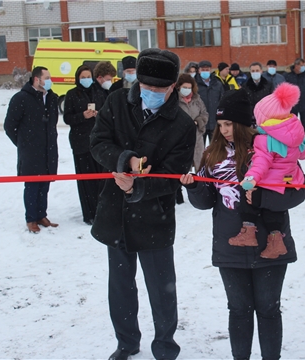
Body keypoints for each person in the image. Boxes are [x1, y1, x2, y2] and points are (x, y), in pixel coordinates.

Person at [180, 89, 305, 360]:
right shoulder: (211, 154)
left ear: (244, 123)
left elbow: (299, 191)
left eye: (230, 124)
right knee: (238, 309)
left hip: (271, 243)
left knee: (268, 309)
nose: (224, 130)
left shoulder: (269, 145)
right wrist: (193, 188)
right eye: (221, 124)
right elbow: (205, 202)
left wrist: (263, 198)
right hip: (230, 245)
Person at [89, 48, 196, 360]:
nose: (151, 94)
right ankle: (126, 343)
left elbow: (174, 175)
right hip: (115, 212)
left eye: (159, 90)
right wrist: (125, 160)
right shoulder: (117, 102)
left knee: (162, 288)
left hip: (154, 216)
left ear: (173, 87)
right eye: (146, 88)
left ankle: (165, 346)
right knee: (120, 286)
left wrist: (138, 186)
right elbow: (98, 143)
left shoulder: (182, 125)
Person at [231, 82, 305, 259]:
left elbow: (261, 163)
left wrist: (250, 178)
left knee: (249, 198)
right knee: (275, 210)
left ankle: (249, 232)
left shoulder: (265, 140)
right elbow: (303, 154)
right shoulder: (295, 135)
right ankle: (276, 242)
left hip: (271, 183)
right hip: (290, 182)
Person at [4, 66, 59, 233]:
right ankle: (31, 219)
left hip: (48, 150)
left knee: (45, 185)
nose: (50, 81)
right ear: (37, 79)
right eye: (47, 77)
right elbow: (9, 126)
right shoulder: (21, 98)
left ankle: (42, 215)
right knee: (33, 186)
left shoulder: (51, 98)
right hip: (31, 153)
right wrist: (23, 143)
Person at [63, 65, 105, 225]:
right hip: (81, 143)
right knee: (86, 181)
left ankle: (102, 212)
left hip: (98, 142)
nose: (86, 80)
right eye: (83, 77)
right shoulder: (72, 94)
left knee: (100, 180)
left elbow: (107, 112)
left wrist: (98, 114)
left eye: (89, 76)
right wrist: (82, 115)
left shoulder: (98, 92)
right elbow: (67, 118)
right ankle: (89, 214)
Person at [175, 73, 208, 204]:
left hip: (197, 137)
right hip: (180, 139)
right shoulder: (174, 99)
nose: (187, 90)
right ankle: (179, 193)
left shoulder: (197, 99)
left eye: (189, 87)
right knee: (181, 167)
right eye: (184, 87)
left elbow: (205, 114)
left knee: (200, 165)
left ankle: (201, 191)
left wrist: (197, 122)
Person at [285, 58, 305, 153]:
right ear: (295, 66)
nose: (302, 67)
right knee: (292, 126)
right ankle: (292, 144)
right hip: (293, 105)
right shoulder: (288, 76)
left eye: (303, 65)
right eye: (300, 65)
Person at [195, 60, 224, 146]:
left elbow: (222, 101)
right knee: (199, 148)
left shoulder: (217, 84)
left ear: (210, 70)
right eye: (203, 69)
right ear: (199, 70)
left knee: (216, 147)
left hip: (214, 122)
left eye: (207, 69)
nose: (205, 71)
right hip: (200, 122)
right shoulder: (194, 84)